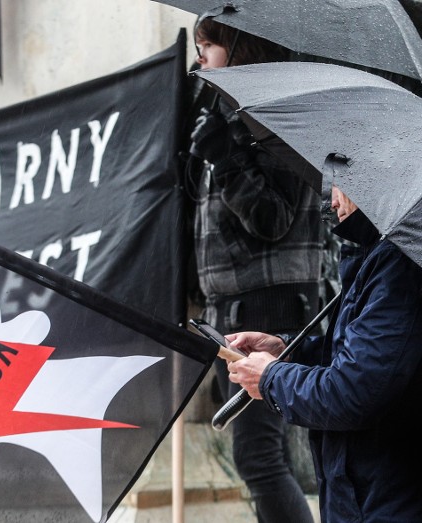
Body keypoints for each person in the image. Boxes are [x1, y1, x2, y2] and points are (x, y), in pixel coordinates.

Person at [227, 186, 422, 522]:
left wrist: (272, 378)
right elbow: (360, 356)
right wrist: (288, 352)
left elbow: (353, 391)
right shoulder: (385, 256)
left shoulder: (400, 265)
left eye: (342, 185)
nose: (332, 201)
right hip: (378, 492)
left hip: (392, 498)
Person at [188, 16, 322, 523]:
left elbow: (273, 218)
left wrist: (224, 158)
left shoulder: (274, 118)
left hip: (271, 306)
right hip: (229, 306)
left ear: (240, 50)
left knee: (260, 457)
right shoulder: (223, 116)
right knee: (255, 459)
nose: (200, 57)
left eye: (209, 46)